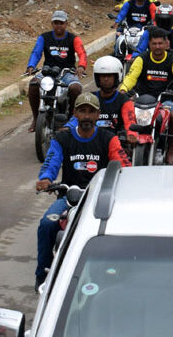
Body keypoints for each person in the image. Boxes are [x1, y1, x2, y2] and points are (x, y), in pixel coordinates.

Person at [35, 93, 131, 291]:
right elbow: (51, 161)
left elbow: (122, 164)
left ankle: (117, 272)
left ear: (98, 115)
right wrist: (45, 178)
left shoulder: (109, 138)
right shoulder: (62, 138)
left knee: (118, 229)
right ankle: (42, 277)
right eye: (82, 111)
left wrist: (127, 179)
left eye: (91, 112)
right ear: (75, 113)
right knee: (46, 225)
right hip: (69, 198)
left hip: (101, 199)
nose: (86, 116)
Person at [120, 27, 173, 164]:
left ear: (166, 44)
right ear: (149, 45)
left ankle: (170, 151)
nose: (157, 47)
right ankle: (124, 147)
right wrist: (123, 89)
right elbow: (131, 76)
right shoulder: (141, 59)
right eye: (154, 44)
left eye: (160, 43)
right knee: (123, 112)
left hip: (164, 101)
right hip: (141, 101)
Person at [26, 10, 86, 132]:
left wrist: (81, 66)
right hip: (47, 72)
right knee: (33, 84)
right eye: (56, 22)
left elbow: (82, 53)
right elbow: (36, 52)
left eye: (61, 23)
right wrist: (31, 65)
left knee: (75, 88)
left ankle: (71, 118)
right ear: (52, 24)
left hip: (67, 72)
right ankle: (36, 118)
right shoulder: (44, 37)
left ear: (66, 24)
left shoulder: (73, 38)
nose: (58, 25)